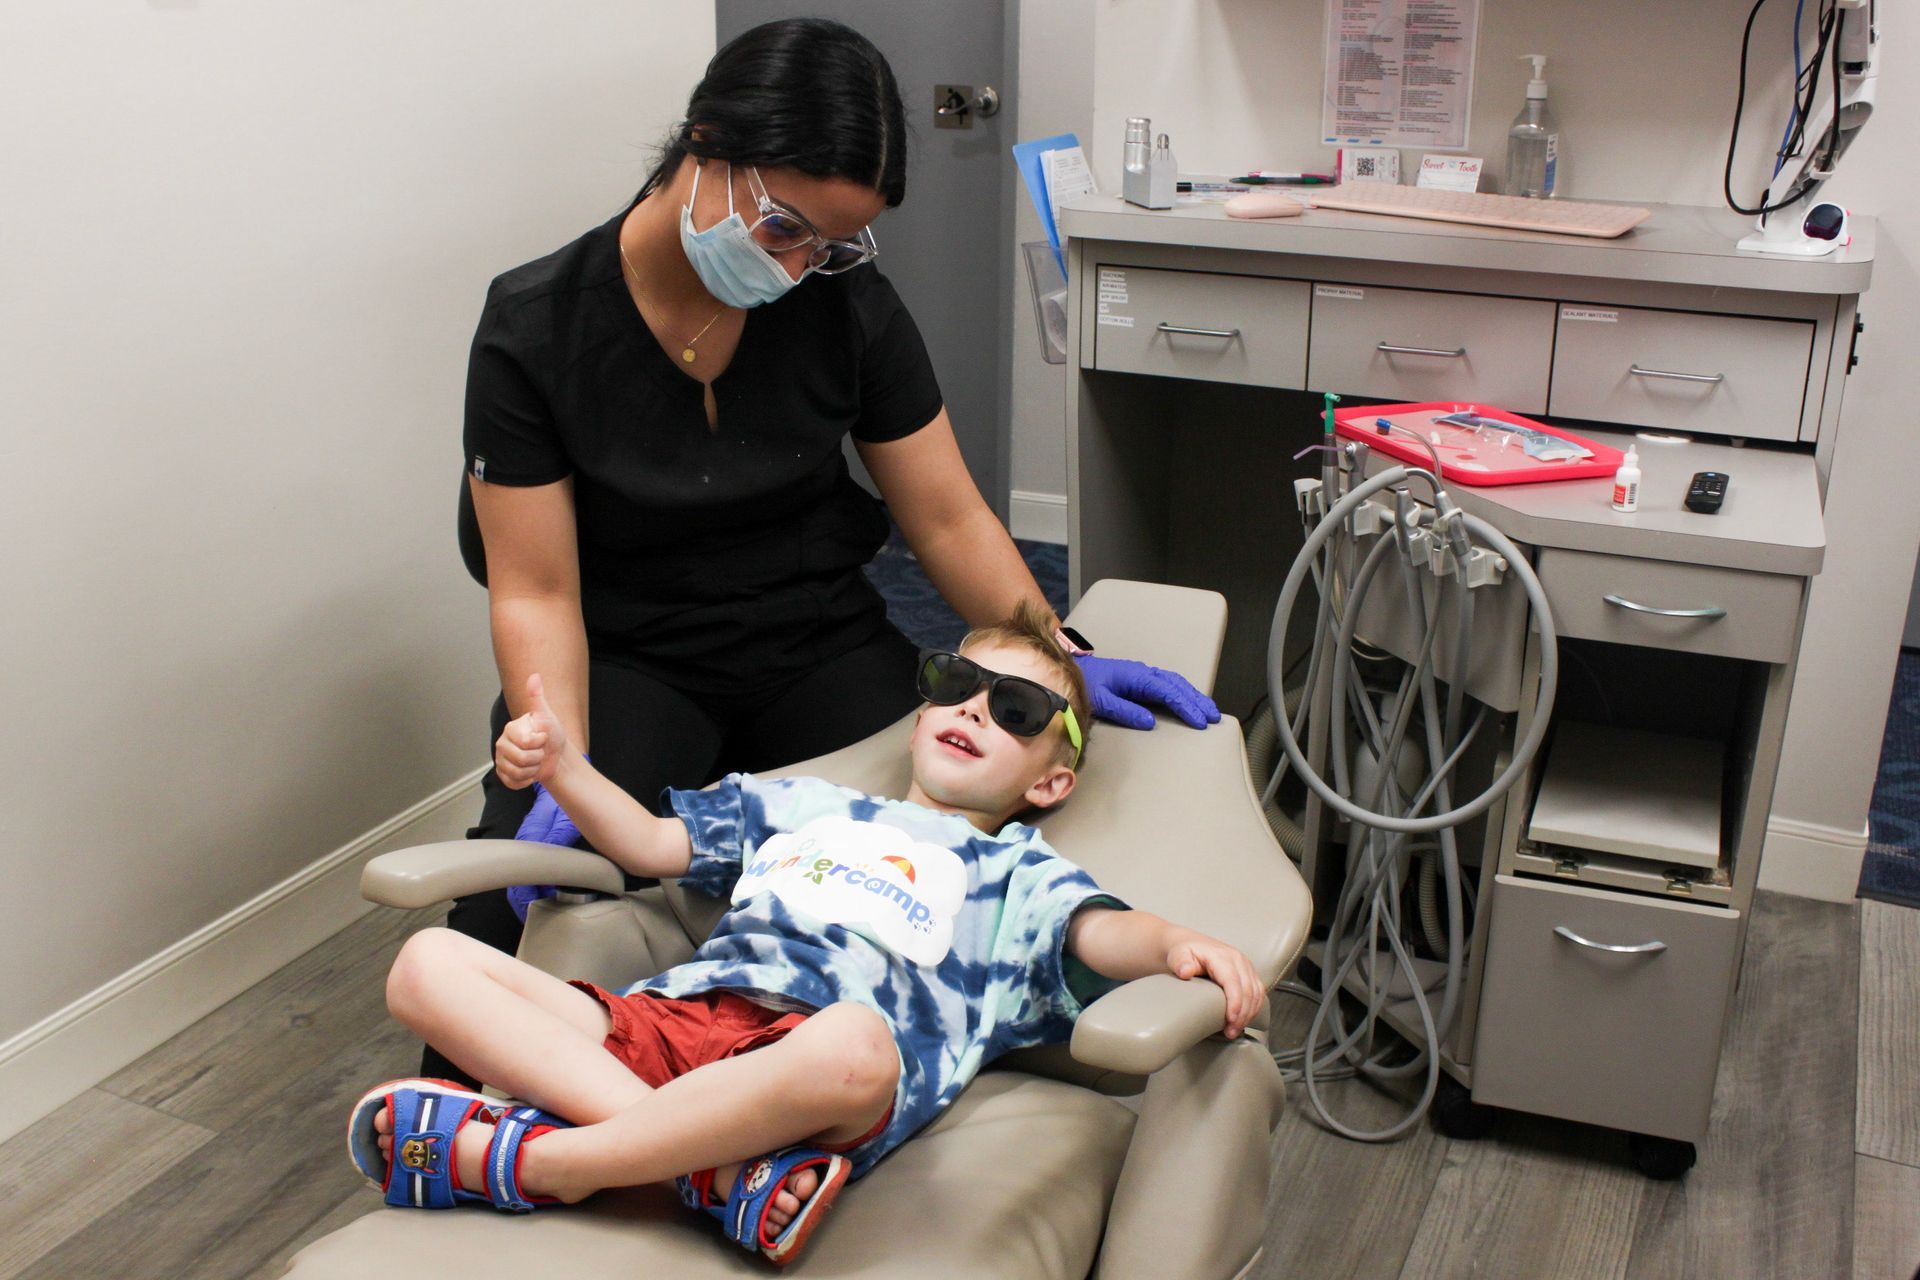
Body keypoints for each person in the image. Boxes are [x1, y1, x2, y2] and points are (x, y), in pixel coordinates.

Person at [443, 13, 1220, 1080]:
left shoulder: (844, 303)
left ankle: (899, 1088)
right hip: (629, 653)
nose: (802, 266)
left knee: (956, 846)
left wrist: (1059, 652)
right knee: (513, 886)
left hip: (811, 636)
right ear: (705, 147)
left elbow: (947, 518)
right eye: (783, 229)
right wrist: (562, 753)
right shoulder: (537, 328)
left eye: (832, 243)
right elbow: (533, 589)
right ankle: (451, 1129)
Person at [350, 606, 1262, 1265]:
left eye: (1017, 710)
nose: (978, 709)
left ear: (1051, 783)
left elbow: (1102, 934)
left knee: (858, 1045)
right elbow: (648, 844)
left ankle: (551, 1162)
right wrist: (564, 766)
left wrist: (1179, 941)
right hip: (674, 1026)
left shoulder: (1015, 872)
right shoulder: (799, 806)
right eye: (957, 685)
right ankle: (711, 1174)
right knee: (427, 962)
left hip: (808, 1074)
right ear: (921, 714)